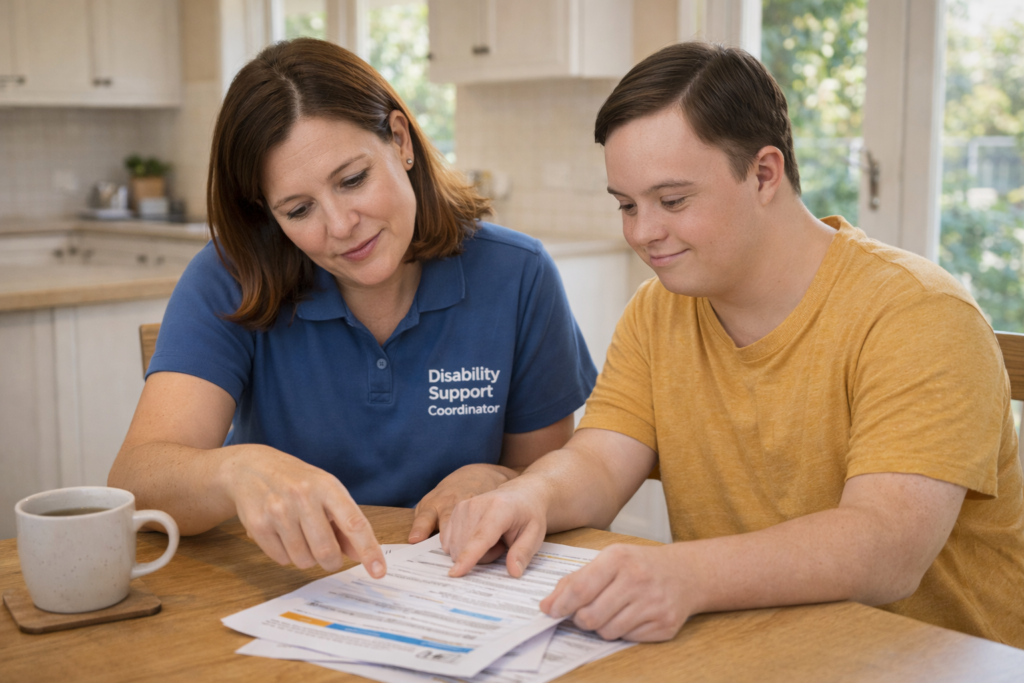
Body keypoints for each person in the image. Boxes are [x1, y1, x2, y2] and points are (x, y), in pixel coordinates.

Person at [443, 41, 1024, 648]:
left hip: (941, 663)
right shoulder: (658, 310)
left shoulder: (918, 313)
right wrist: (530, 494)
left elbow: (887, 547)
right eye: (626, 205)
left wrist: (685, 573)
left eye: (672, 201)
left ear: (764, 174)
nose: (643, 233)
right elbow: (599, 461)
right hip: (759, 651)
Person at [108, 38, 597, 579]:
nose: (341, 227)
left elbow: (548, 474)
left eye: (353, 180)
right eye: (299, 210)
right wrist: (235, 470)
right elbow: (136, 482)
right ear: (268, 216)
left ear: (400, 140)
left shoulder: (518, 274)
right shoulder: (232, 275)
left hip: (460, 588)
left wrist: (502, 480)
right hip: (288, 592)